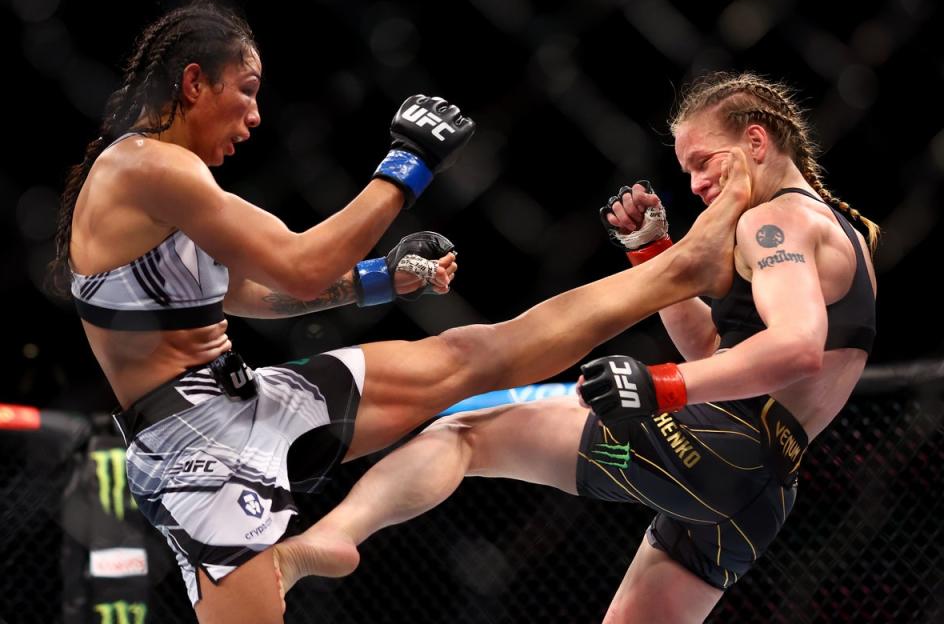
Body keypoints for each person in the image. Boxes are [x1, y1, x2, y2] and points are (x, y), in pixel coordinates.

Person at [52, 0, 751, 622]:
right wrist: (405, 165)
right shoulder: (147, 167)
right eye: (248, 90)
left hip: (247, 399)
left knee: (465, 357)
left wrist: (382, 280)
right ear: (193, 82)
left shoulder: (169, 185)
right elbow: (297, 261)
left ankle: (672, 273)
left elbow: (253, 293)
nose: (257, 115)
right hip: (195, 453)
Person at [279, 71, 880, 624]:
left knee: (463, 429)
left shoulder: (774, 223)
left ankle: (326, 539)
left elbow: (798, 347)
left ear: (756, 141)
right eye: (687, 170)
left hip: (714, 444)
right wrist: (653, 252)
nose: (696, 184)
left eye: (703, 161)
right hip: (757, 495)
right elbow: (723, 354)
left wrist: (660, 385)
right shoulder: (840, 231)